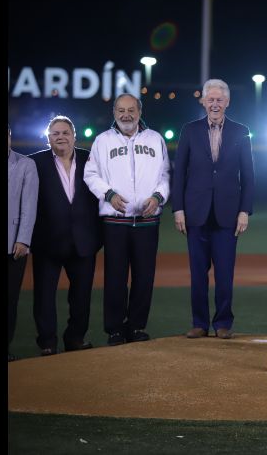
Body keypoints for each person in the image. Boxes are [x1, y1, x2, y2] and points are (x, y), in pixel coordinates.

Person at [84, 94, 170, 346]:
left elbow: (166, 174)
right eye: (121, 110)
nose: (126, 115)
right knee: (115, 277)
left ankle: (136, 326)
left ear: (140, 111)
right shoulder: (102, 141)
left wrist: (158, 196)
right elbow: (90, 174)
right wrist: (108, 194)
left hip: (147, 220)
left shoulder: (155, 139)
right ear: (114, 112)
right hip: (115, 222)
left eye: (131, 110)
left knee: (144, 277)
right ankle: (115, 329)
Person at [172, 78, 255, 340]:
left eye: (220, 100)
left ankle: (223, 323)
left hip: (228, 214)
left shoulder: (241, 131)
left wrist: (245, 210)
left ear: (227, 102)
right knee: (198, 273)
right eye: (211, 99)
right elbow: (178, 174)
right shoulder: (189, 130)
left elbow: (249, 176)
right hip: (195, 212)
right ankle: (199, 323)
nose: (215, 104)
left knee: (224, 273)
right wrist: (178, 209)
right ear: (203, 101)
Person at [29, 116, 102, 356]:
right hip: (47, 242)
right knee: (44, 297)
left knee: (81, 297)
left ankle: (75, 338)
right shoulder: (35, 163)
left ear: (74, 135)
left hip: (83, 241)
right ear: (48, 138)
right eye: (55, 133)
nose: (60, 137)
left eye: (65, 132)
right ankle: (47, 342)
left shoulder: (91, 159)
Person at [8, 125, 39, 362]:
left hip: (13, 245)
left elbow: (29, 206)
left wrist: (23, 239)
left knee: (10, 300)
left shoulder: (25, 164)